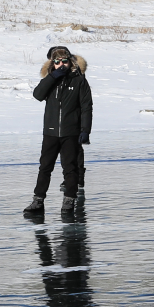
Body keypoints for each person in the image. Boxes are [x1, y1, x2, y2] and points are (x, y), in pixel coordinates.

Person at [23, 45, 91, 216]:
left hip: (71, 132)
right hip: (51, 132)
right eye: (57, 62)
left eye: (65, 61)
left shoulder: (79, 80)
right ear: (52, 63)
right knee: (45, 167)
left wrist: (85, 130)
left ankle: (69, 200)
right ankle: (38, 200)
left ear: (70, 61)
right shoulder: (50, 79)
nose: (62, 64)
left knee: (70, 168)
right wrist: (52, 77)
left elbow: (86, 107)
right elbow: (38, 95)